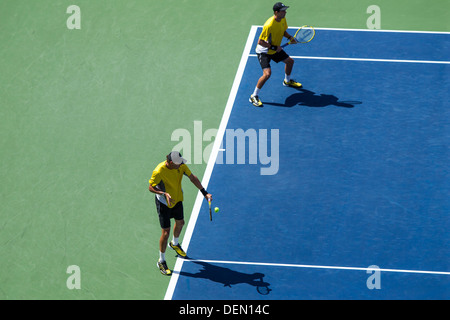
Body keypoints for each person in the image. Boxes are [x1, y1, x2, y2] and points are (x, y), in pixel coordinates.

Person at [149, 151, 212, 275]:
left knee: (180, 223)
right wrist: (163, 193)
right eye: (178, 163)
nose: (181, 164)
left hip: (177, 198)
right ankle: (161, 261)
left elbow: (192, 177)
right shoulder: (159, 171)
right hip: (164, 203)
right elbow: (151, 187)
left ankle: (175, 244)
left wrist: (205, 193)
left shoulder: (180, 165)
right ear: (171, 162)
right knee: (165, 232)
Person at [249, 2, 302, 107]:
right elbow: (260, 41)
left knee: (290, 61)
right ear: (276, 12)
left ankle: (287, 81)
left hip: (274, 49)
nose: (285, 12)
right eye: (283, 11)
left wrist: (290, 38)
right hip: (264, 51)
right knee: (267, 74)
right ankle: (254, 96)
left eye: (285, 10)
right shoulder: (269, 25)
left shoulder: (282, 19)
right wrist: (274, 47)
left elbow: (283, 31)